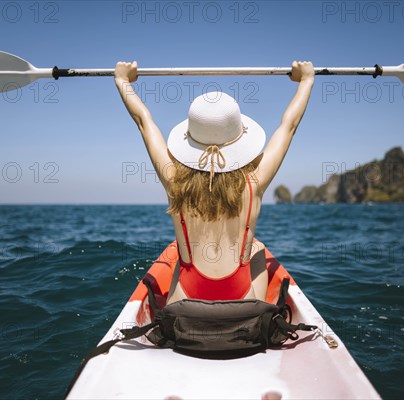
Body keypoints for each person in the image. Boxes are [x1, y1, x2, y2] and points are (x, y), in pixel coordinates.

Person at [114, 61, 314, 304]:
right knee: (257, 249)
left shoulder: (173, 178)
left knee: (181, 255)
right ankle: (257, 310)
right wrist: (306, 80)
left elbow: (144, 122)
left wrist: (122, 81)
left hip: (185, 302)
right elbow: (289, 126)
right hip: (242, 304)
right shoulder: (256, 180)